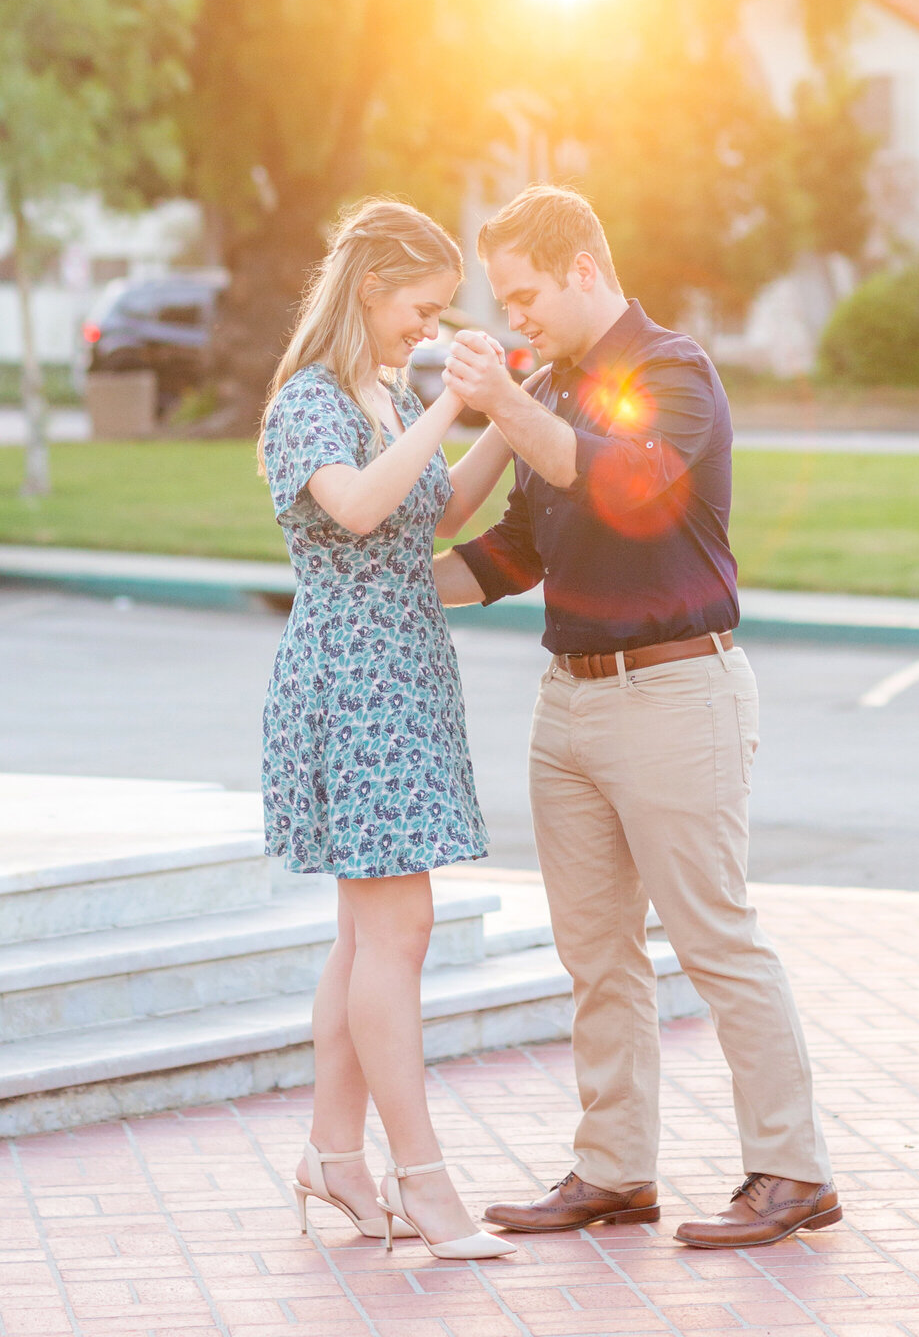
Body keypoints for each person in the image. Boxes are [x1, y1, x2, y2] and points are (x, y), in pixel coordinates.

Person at [433, 184, 840, 1250]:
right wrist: (387, 587)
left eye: (524, 295)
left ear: (581, 269)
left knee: (714, 938)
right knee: (595, 953)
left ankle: (794, 1171)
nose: (512, 315)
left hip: (675, 691)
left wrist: (505, 405)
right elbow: (518, 548)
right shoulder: (558, 384)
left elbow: (630, 486)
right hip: (567, 699)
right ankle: (615, 1173)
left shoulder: (674, 370)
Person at [257, 197, 517, 1261]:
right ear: (371, 286)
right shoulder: (310, 402)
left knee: (367, 936)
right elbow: (361, 508)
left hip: (405, 679)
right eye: (424, 304)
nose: (430, 324)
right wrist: (446, 407)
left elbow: (439, 511)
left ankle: (335, 1155)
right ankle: (423, 1181)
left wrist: (503, 404)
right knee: (396, 933)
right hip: (350, 687)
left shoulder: (382, 390)